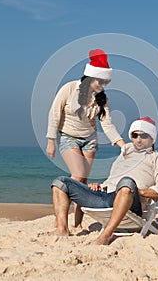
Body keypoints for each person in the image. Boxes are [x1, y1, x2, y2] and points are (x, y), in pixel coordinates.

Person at [51, 116, 158, 245]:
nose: (139, 139)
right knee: (61, 182)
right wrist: (100, 186)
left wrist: (139, 191)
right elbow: (112, 180)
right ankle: (62, 229)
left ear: (152, 138)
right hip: (106, 197)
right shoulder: (123, 156)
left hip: (131, 202)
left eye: (144, 135)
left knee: (126, 183)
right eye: (135, 135)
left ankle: (106, 235)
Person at [46, 49, 125, 229]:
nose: (103, 85)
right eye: (101, 81)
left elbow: (107, 124)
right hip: (68, 137)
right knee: (78, 176)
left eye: (106, 82)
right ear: (90, 77)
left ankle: (78, 223)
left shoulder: (102, 99)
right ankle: (60, 220)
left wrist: (121, 143)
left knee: (81, 183)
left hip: (90, 141)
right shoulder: (69, 88)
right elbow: (55, 113)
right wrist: (51, 141)